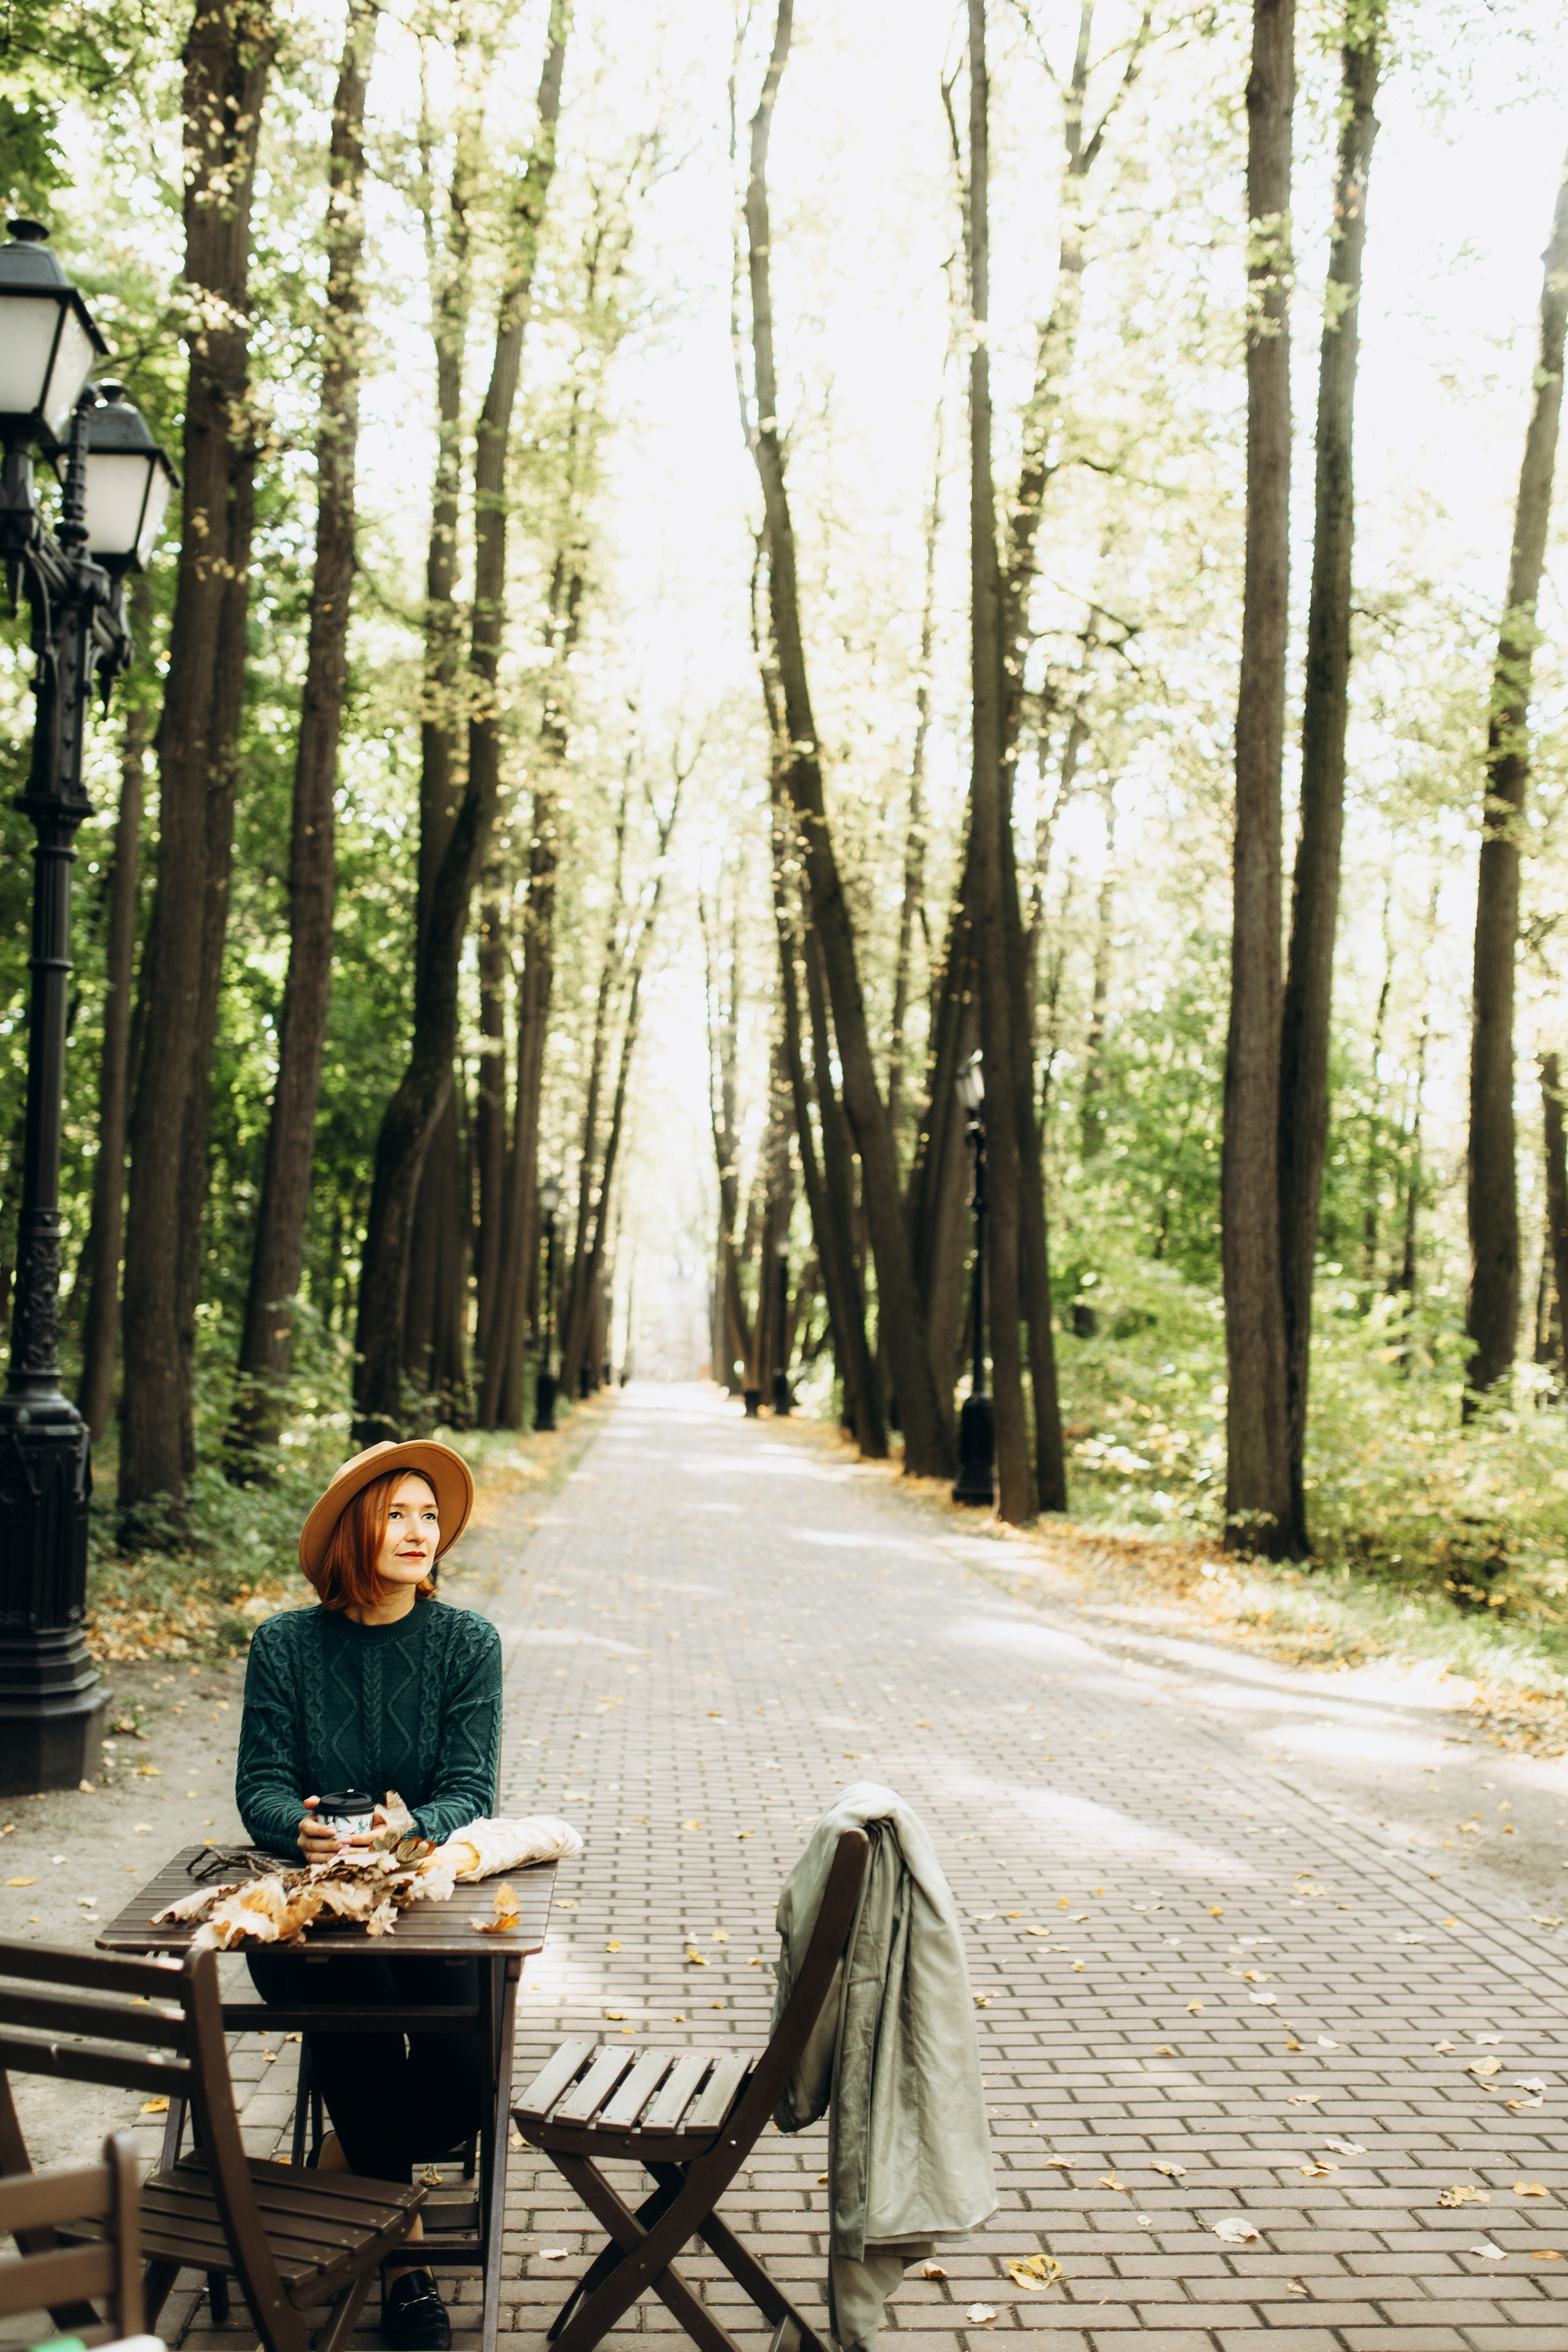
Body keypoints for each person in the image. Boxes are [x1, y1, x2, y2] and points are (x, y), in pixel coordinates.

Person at [234, 1438, 502, 2352]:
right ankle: (407, 2265)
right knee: (359, 2029)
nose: (420, 1531)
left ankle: (325, 2181)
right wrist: (296, 1829)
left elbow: (472, 1790)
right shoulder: (284, 1645)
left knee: (463, 2085)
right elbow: (261, 1785)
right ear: (356, 1529)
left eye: (431, 1515)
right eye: (398, 1513)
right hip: (312, 1918)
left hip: (431, 1908)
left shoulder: (468, 1644)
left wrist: (407, 1827)